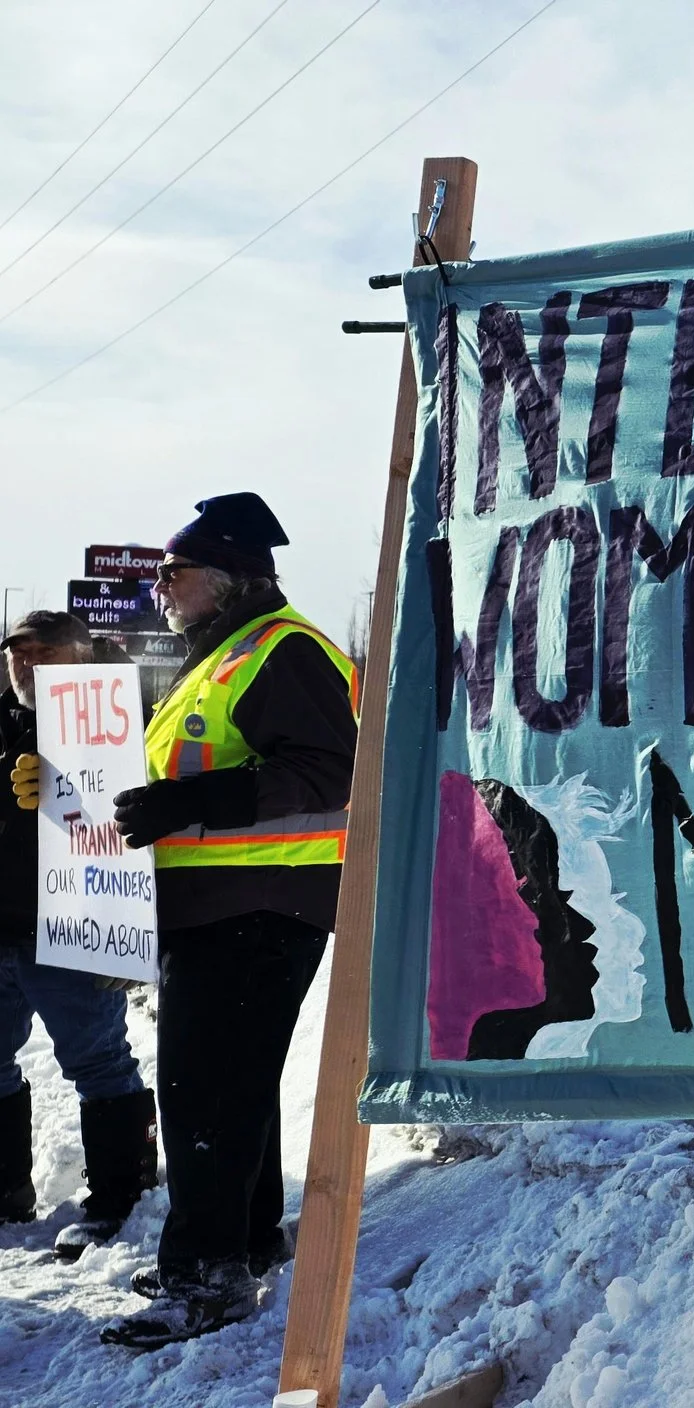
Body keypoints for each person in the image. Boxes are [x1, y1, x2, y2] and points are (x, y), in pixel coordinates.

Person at [100, 493, 356, 1350]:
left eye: (173, 572)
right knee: (231, 1084)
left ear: (227, 576)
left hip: (260, 906)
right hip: (219, 906)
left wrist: (193, 801)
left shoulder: (284, 651)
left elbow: (329, 770)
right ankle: (242, 1241)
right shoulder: (220, 656)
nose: (161, 588)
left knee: (202, 1091)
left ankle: (204, 1279)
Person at [0, 611, 158, 1262]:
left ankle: (121, 1197)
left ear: (82, 655)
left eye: (43, 652)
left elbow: (133, 816)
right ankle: (7, 1192)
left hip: (72, 928)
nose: (26, 665)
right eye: (17, 654)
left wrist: (127, 931)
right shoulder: (5, 721)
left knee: (98, 1062)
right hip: (4, 928)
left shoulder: (120, 719)